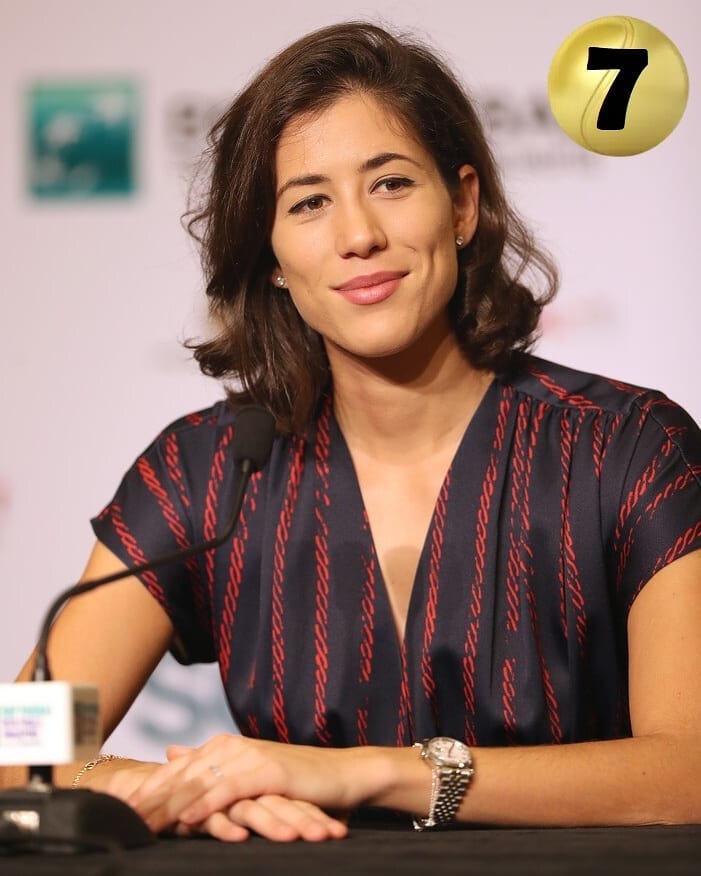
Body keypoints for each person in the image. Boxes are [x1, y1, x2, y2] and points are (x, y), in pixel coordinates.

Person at [2, 21, 700, 842]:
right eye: (308, 202)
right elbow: (20, 752)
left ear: (463, 204)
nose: (358, 235)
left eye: (391, 184)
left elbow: (686, 770)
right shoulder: (206, 470)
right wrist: (193, 788)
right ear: (269, 253)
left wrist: (369, 773)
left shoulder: (627, 447)